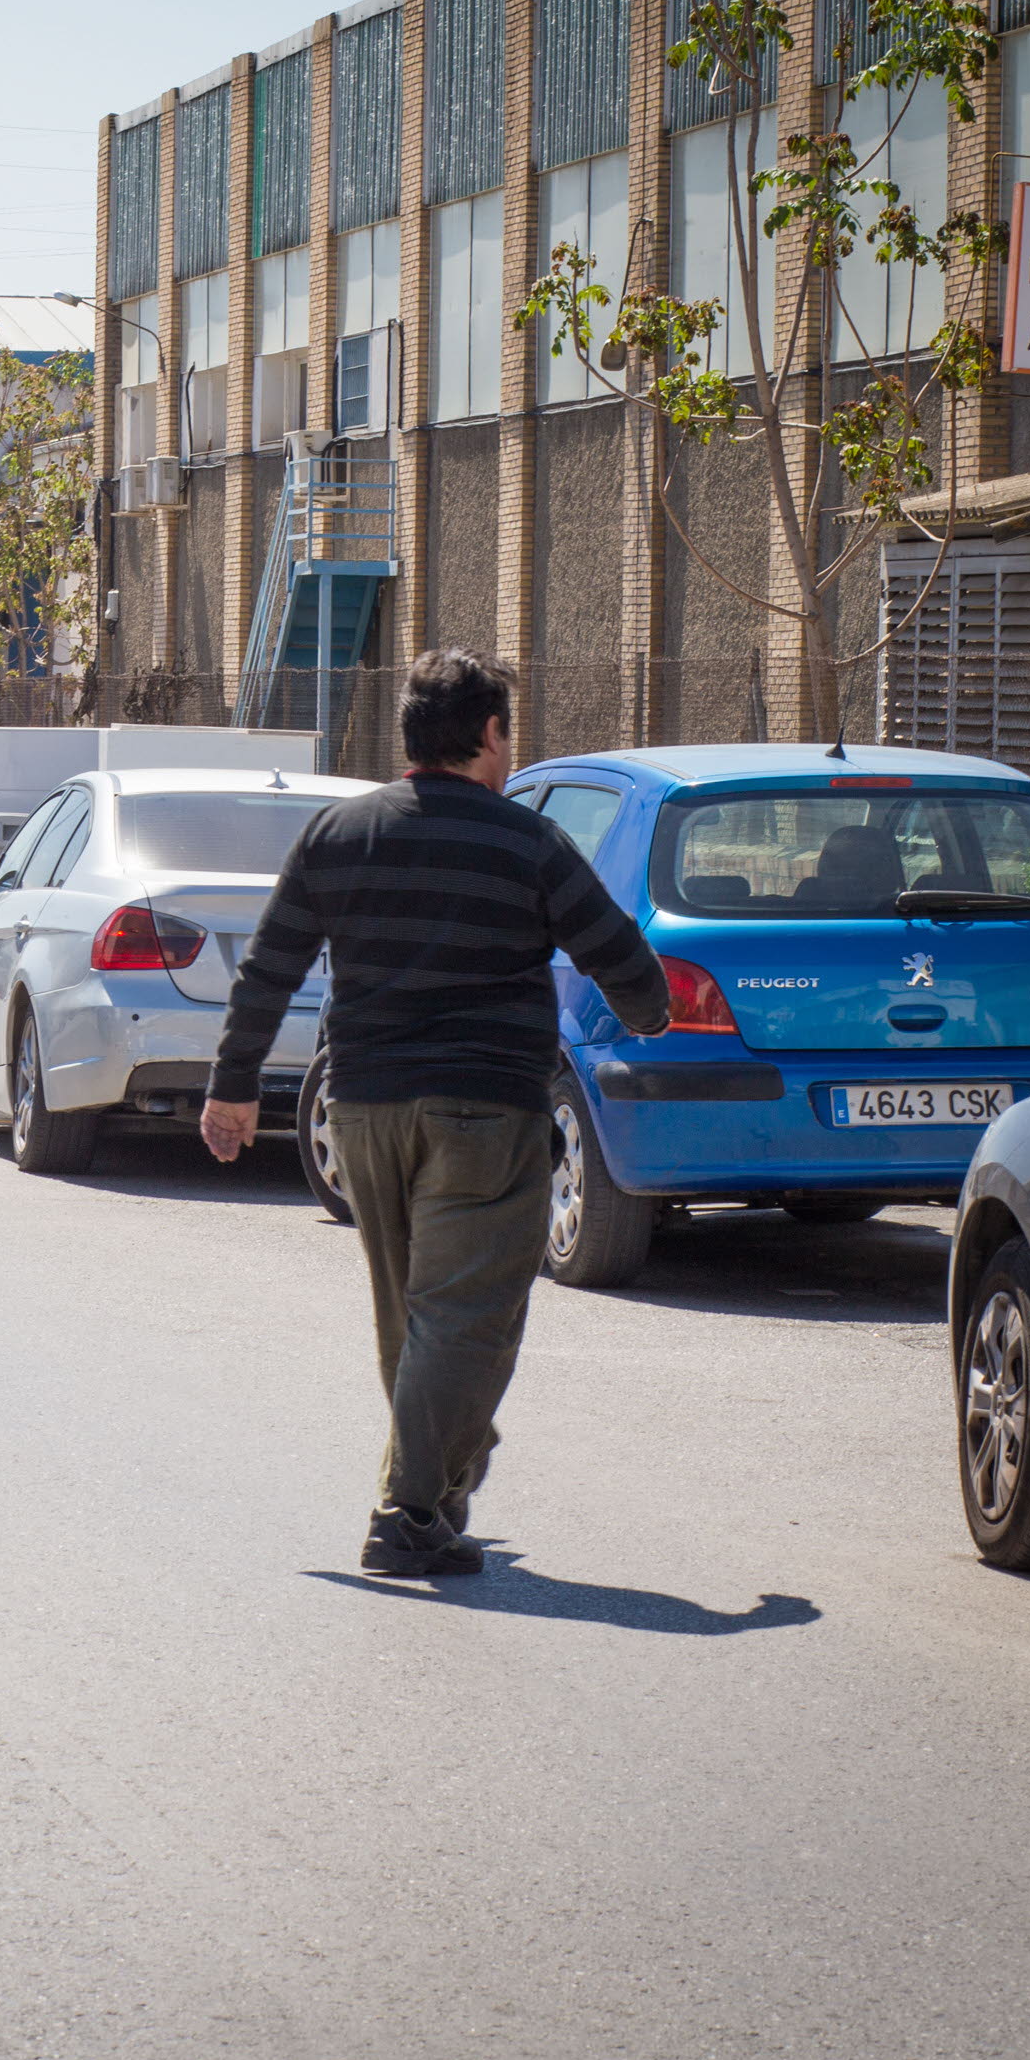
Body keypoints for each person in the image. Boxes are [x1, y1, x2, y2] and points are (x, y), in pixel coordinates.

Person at [200, 650, 669, 1577]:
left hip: (364, 1108)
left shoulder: (338, 833)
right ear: (489, 736)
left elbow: (269, 966)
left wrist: (234, 1083)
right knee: (468, 1316)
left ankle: (438, 1488)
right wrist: (649, 1012)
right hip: (484, 1113)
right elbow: (620, 957)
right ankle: (409, 1510)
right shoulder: (527, 843)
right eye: (506, 734)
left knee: (413, 1316)